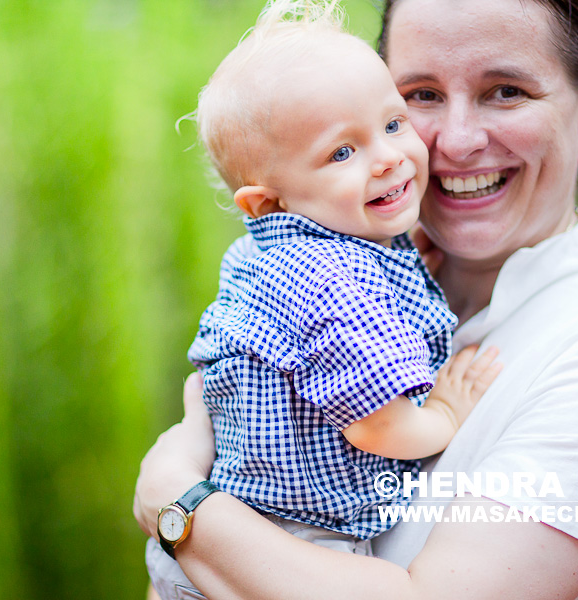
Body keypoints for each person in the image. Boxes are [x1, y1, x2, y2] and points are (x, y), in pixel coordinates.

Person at [135, 0, 578, 598]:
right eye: (422, 94)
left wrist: (178, 505)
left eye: (506, 91)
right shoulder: (355, 277)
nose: (456, 142)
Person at [145, 2, 502, 597]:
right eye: (342, 152)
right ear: (267, 202)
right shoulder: (338, 283)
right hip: (294, 541)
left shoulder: (271, 254)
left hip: (217, 526)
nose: (388, 156)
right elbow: (378, 428)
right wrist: (445, 413)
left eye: (392, 124)